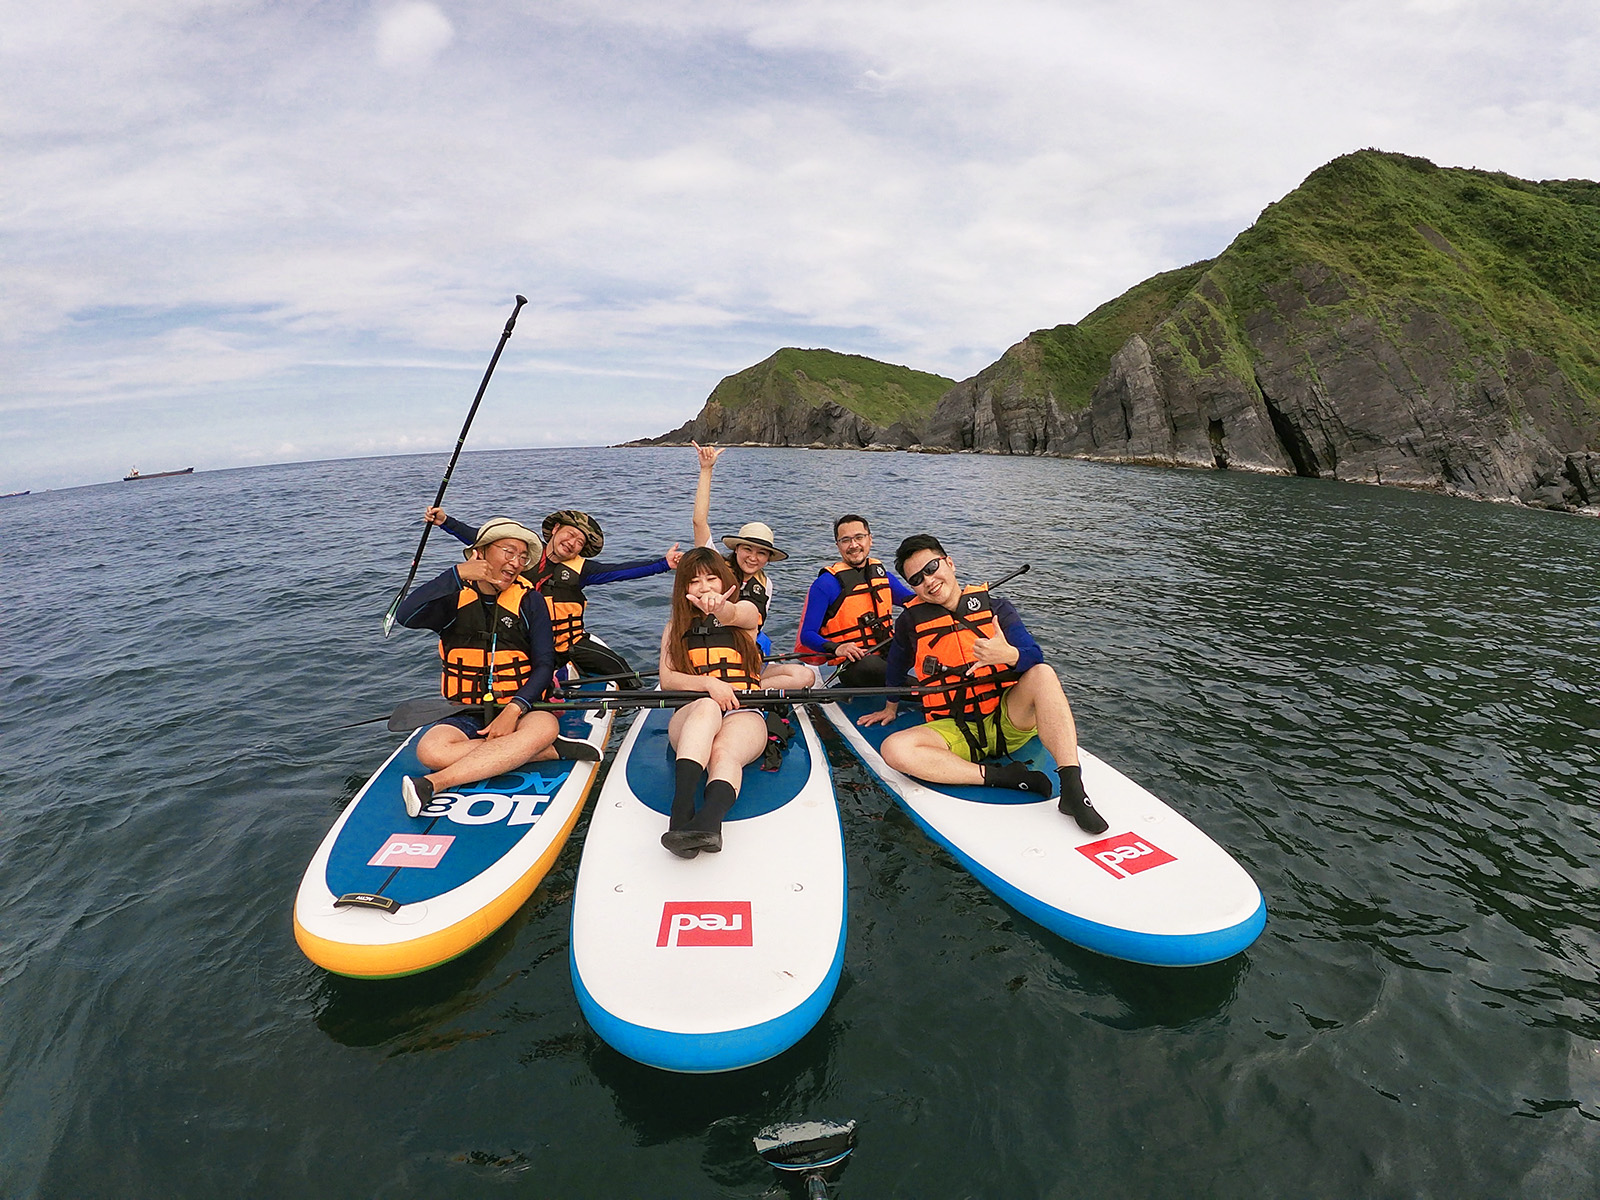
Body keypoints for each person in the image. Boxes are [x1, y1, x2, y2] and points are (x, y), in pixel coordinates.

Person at [856, 534, 1109, 834]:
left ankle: (1073, 789)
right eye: (917, 579)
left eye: (932, 567)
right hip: (957, 728)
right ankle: (1004, 777)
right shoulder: (911, 622)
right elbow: (897, 665)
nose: (928, 581)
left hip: (1006, 718)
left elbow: (1034, 656)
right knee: (894, 749)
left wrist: (1009, 655)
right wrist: (890, 706)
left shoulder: (997, 608)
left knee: (1043, 674)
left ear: (949, 563)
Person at [394, 518, 597, 819]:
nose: (516, 562)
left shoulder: (531, 601)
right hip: (468, 712)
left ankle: (433, 784)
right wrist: (456, 574)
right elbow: (405, 614)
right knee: (430, 751)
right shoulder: (454, 599)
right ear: (480, 553)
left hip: (523, 710)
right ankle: (543, 751)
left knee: (544, 727)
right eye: (508, 552)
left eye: (522, 557)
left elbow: (544, 664)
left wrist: (514, 710)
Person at [426, 505, 682, 687]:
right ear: (556, 529)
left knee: (621, 670)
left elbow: (621, 571)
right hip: (525, 645)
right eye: (570, 534)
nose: (572, 542)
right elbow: (480, 537)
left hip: (568, 644)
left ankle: (632, 710)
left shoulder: (583, 569)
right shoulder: (523, 554)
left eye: (580, 542)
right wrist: (446, 521)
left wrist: (663, 564)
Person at [657, 547, 771, 857]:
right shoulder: (675, 627)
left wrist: (721, 608)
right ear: (684, 588)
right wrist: (709, 684)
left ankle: (708, 823)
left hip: (743, 711)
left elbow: (735, 614)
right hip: (692, 714)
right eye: (694, 581)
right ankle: (681, 811)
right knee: (707, 705)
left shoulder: (746, 613)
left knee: (723, 752)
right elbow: (668, 679)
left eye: (711, 579)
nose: (704, 587)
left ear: (724, 580)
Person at [689, 442, 819, 690]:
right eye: (747, 549)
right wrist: (706, 470)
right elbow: (699, 522)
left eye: (761, 553)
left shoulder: (765, 585)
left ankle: (743, 687)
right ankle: (739, 688)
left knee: (804, 676)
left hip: (742, 657)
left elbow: (753, 628)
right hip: (707, 653)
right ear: (736, 549)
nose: (753, 557)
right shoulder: (715, 566)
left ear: (768, 558)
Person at [796, 514, 915, 687]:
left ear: (870, 539)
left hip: (887, 653)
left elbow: (912, 602)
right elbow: (807, 635)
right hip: (855, 665)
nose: (853, 545)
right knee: (870, 665)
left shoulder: (882, 576)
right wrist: (838, 648)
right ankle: (923, 691)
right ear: (838, 546)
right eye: (845, 540)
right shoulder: (825, 584)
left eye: (859, 537)